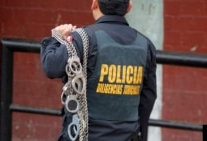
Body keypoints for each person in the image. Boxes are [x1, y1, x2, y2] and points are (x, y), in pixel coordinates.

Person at [40, 0, 157, 141]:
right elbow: (148, 97)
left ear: (94, 3)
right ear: (129, 7)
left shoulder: (83, 38)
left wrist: (55, 38)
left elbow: (51, 67)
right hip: (127, 136)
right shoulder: (145, 45)